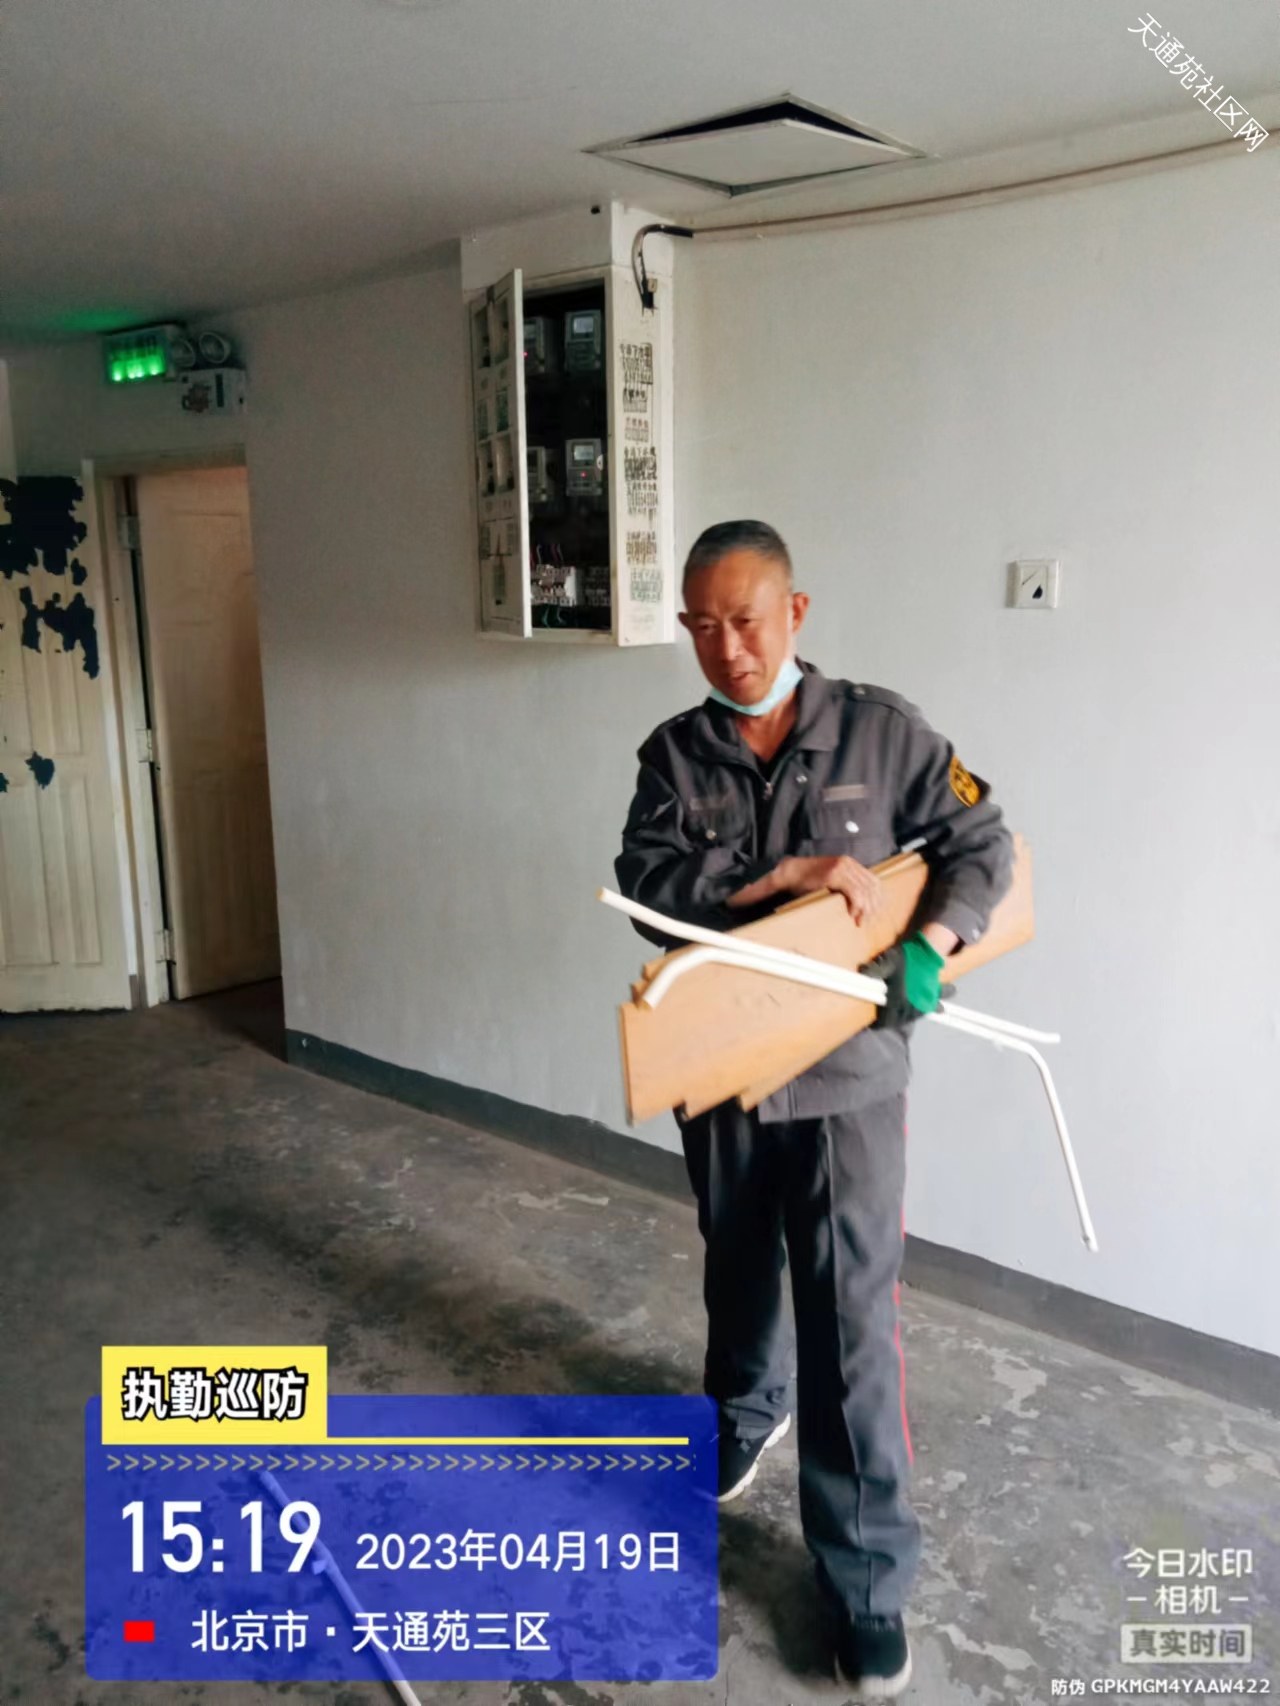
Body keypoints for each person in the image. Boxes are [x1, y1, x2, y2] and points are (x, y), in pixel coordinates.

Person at [615, 520, 1013, 1698]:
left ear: (793, 612)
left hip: (848, 1085)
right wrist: (775, 877)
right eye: (701, 625)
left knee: (848, 1323)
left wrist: (934, 944)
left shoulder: (882, 731)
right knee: (736, 1261)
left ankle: (865, 1580)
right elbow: (645, 882)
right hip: (721, 1069)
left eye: (745, 620)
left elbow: (979, 840)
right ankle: (742, 1412)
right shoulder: (673, 753)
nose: (726, 647)